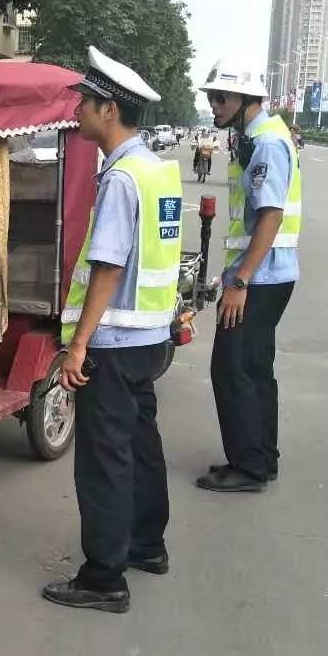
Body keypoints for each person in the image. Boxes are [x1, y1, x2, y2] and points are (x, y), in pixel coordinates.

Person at [41, 47, 179, 614]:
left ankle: (104, 577)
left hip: (116, 344)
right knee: (142, 445)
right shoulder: (156, 171)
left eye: (83, 102)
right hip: (151, 338)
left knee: (104, 458)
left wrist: (78, 347)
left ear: (107, 109)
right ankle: (147, 544)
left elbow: (109, 265)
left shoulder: (122, 178)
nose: (76, 111)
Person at [196, 57, 302, 493]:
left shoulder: (267, 144)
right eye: (211, 97)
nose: (214, 104)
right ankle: (263, 456)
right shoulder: (255, 138)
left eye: (221, 97)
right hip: (268, 276)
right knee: (256, 368)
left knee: (232, 367)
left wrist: (239, 281)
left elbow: (270, 216)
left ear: (246, 99)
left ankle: (247, 466)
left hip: (258, 280)